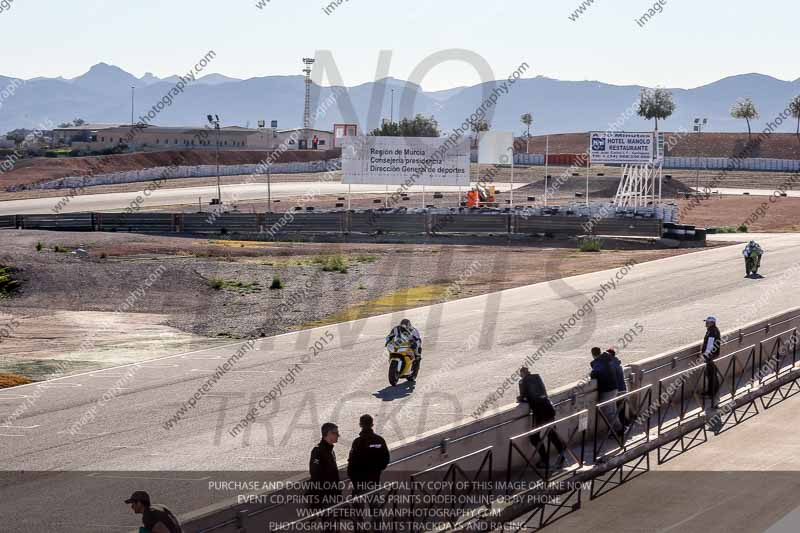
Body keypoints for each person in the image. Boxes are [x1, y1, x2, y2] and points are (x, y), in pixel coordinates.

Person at [517, 367, 566, 469]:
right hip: (549, 408)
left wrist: (520, 398)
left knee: (534, 437)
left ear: (522, 374)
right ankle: (562, 457)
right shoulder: (537, 377)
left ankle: (545, 460)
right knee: (552, 434)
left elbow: (524, 397)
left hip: (540, 412)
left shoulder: (522, 382)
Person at [347, 414, 391, 496]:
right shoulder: (380, 440)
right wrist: (377, 471)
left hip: (359, 482)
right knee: (375, 506)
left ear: (360, 425)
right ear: (372, 425)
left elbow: (351, 462)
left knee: (358, 507)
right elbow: (386, 459)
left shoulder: (357, 442)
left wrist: (353, 478)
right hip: (374, 479)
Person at [309, 422, 342, 509]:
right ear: (328, 434)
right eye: (336, 433)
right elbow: (315, 474)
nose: (338, 435)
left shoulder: (330, 450)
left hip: (333, 495)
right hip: (326, 497)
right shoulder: (318, 451)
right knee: (329, 521)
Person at [590, 349, 621, 432]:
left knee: (608, 411)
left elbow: (594, 374)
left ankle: (618, 431)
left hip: (607, 390)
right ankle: (618, 429)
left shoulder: (598, 362)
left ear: (592, 354)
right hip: (614, 387)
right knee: (613, 410)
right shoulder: (607, 358)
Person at [606, 348, 630, 430]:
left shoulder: (611, 365)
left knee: (617, 412)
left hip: (618, 391)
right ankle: (626, 425)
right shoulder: (617, 363)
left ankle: (623, 429)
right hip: (623, 389)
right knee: (621, 410)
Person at [702, 316, 721, 400]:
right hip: (712, 355)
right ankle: (711, 391)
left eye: (708, 322)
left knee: (711, 374)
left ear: (712, 323)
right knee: (711, 374)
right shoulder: (711, 330)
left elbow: (710, 344)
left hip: (711, 355)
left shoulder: (712, 331)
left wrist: (706, 355)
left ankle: (712, 393)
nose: (706, 323)